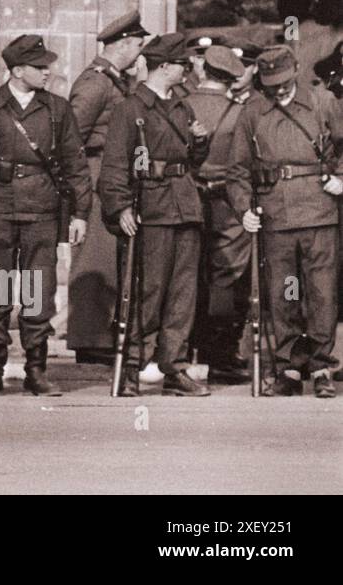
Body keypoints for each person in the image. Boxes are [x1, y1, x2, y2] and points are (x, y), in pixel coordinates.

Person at [0, 35, 91, 396]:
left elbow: (75, 164)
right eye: (39, 67)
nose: (47, 72)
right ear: (16, 70)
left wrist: (80, 214)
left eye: (47, 66)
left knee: (38, 292)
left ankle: (36, 370)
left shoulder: (57, 110)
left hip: (42, 211)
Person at [98, 32, 211, 397]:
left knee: (182, 295)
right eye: (183, 63)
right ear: (165, 67)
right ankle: (132, 365)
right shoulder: (131, 108)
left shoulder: (182, 105)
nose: (189, 67)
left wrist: (199, 143)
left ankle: (173, 367)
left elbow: (191, 162)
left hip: (184, 206)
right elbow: (115, 163)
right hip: (150, 206)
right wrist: (119, 207)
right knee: (144, 292)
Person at [227, 45, 342, 398]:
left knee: (322, 292)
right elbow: (237, 169)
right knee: (284, 291)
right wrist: (244, 207)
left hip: (319, 212)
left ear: (295, 72)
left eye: (283, 81)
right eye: (271, 83)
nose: (278, 89)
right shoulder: (253, 112)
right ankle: (290, 365)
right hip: (275, 217)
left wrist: (341, 175)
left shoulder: (322, 102)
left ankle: (322, 366)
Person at [67, 10, 149, 361]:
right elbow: (71, 139)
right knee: (95, 258)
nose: (140, 52)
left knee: (112, 258)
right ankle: (90, 340)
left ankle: (105, 334)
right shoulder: (96, 82)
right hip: (95, 175)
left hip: (112, 174)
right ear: (124, 44)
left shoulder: (115, 80)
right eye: (138, 45)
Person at [185, 46, 252, 383]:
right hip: (228, 202)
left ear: (204, 71)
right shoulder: (240, 113)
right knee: (227, 276)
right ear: (231, 78)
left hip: (187, 199)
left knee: (187, 274)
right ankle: (221, 354)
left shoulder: (181, 106)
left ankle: (184, 349)